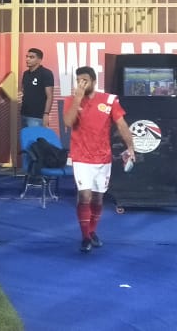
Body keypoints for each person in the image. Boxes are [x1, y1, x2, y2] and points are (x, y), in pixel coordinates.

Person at [63, 66, 136, 253]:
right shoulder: (71, 100)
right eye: (78, 80)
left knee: (98, 198)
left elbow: (121, 125)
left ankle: (92, 231)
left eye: (85, 80)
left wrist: (130, 147)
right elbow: (68, 122)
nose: (81, 83)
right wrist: (77, 99)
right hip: (81, 156)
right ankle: (85, 237)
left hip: (103, 158)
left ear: (94, 82)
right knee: (84, 195)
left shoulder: (109, 100)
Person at [18, 48, 55, 128]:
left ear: (39, 60)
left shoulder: (46, 73)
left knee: (35, 136)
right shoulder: (25, 74)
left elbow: (50, 96)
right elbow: (24, 91)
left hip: (37, 117)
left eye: (31, 57)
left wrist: (46, 114)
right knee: (25, 136)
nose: (27, 59)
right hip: (24, 114)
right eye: (27, 57)